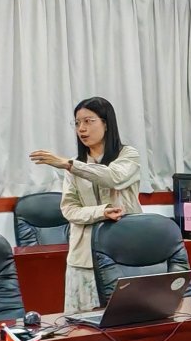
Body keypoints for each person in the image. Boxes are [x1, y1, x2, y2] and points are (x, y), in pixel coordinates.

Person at [31, 96, 142, 314]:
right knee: (81, 322)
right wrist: (101, 212)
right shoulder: (74, 165)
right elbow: (69, 209)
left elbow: (113, 177)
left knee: (127, 318)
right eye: (77, 123)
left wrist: (69, 165)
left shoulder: (128, 155)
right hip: (84, 257)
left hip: (124, 251)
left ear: (106, 123)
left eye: (88, 121)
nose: (81, 128)